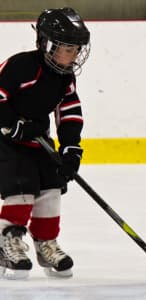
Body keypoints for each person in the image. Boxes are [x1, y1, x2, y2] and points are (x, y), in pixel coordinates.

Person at [0, 7, 90, 279]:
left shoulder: (65, 77)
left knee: (51, 184)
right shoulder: (21, 66)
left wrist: (71, 149)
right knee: (22, 184)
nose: (74, 55)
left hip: (36, 138)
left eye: (76, 49)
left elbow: (69, 112)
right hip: (4, 138)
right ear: (47, 44)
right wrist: (13, 125)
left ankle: (46, 242)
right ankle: (9, 241)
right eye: (67, 48)